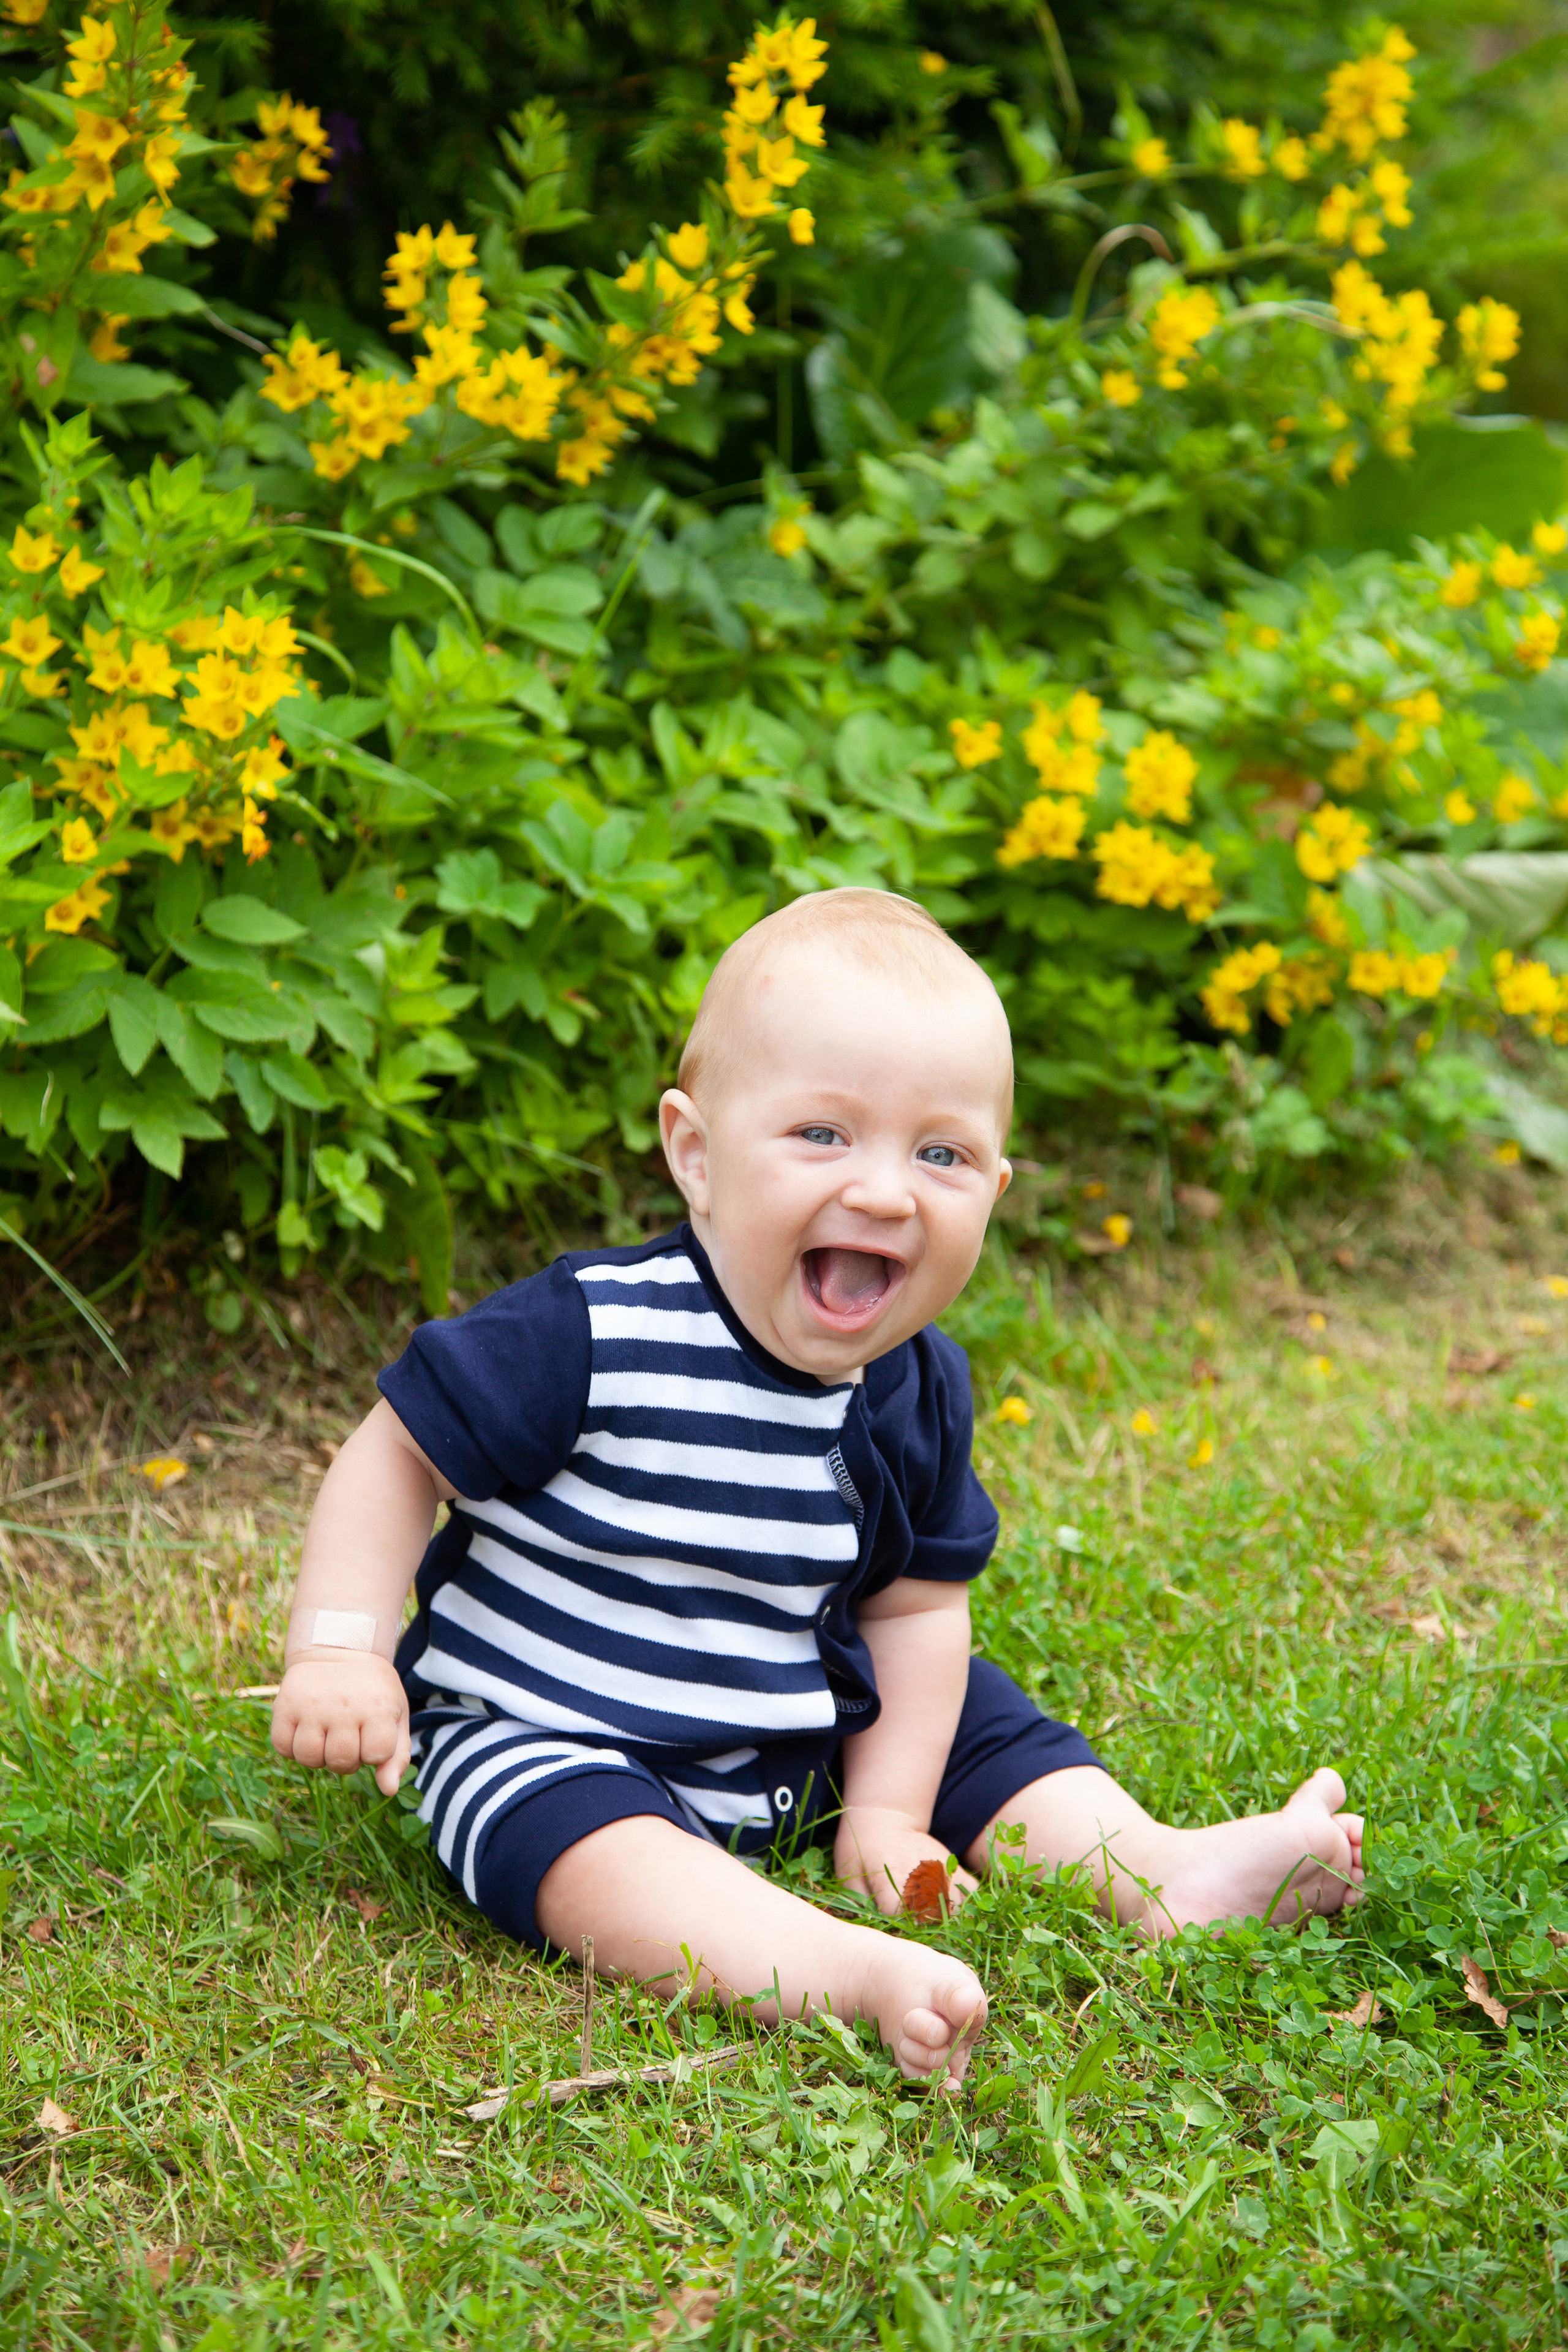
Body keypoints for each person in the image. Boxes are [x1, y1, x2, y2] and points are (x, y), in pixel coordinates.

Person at [270, 888, 1362, 2089]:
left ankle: (1154, 1871)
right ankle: (832, 1971)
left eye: (938, 1153)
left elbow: (913, 1610)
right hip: (549, 1723)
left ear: (992, 1193)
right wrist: (338, 1648)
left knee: (970, 1717)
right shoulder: (589, 1328)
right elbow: (395, 1451)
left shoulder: (915, 1387)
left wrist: (888, 1813)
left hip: (790, 1712)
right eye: (822, 1137)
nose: (887, 1191)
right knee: (574, 1841)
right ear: (696, 1154)